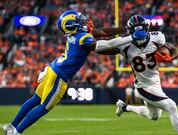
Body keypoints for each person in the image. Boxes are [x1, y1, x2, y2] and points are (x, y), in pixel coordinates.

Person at [3, 10, 145, 135]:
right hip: (60, 76)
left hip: (53, 69)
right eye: (79, 20)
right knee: (44, 107)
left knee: (35, 99)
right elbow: (104, 46)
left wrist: (126, 29)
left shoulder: (77, 35)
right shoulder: (82, 38)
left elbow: (102, 32)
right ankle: (16, 132)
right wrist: (131, 38)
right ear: (73, 25)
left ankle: (11, 126)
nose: (84, 20)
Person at [114, 15, 178, 135]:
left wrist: (169, 56)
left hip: (155, 83)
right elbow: (104, 48)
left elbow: (174, 49)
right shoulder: (124, 44)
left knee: (153, 116)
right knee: (171, 106)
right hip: (143, 86)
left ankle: (125, 107)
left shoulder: (157, 37)